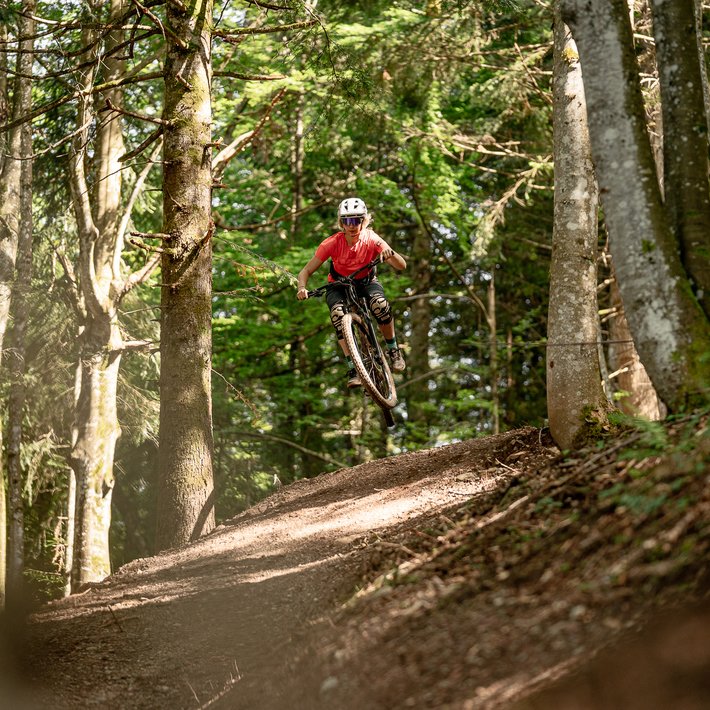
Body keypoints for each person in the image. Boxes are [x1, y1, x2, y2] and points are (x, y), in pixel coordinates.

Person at [297, 197, 407, 388]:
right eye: (347, 221)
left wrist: (391, 254)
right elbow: (305, 271)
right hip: (338, 286)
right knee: (338, 316)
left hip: (366, 282)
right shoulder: (331, 243)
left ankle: (393, 350)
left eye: (357, 220)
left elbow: (401, 266)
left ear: (364, 221)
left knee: (380, 305)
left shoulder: (372, 238)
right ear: (341, 222)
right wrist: (301, 288)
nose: (352, 225)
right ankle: (353, 368)